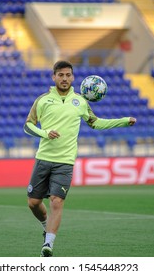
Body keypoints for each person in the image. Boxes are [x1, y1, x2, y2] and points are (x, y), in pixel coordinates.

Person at [24, 60, 136, 257]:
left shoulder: (80, 102)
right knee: (33, 203)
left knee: (57, 202)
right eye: (61, 75)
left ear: (73, 77)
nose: (65, 78)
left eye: (68, 75)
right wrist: (45, 132)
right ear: (54, 77)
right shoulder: (42, 100)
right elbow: (28, 125)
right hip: (43, 158)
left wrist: (124, 121)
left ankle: (48, 245)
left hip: (65, 162)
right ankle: (45, 226)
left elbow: (96, 123)